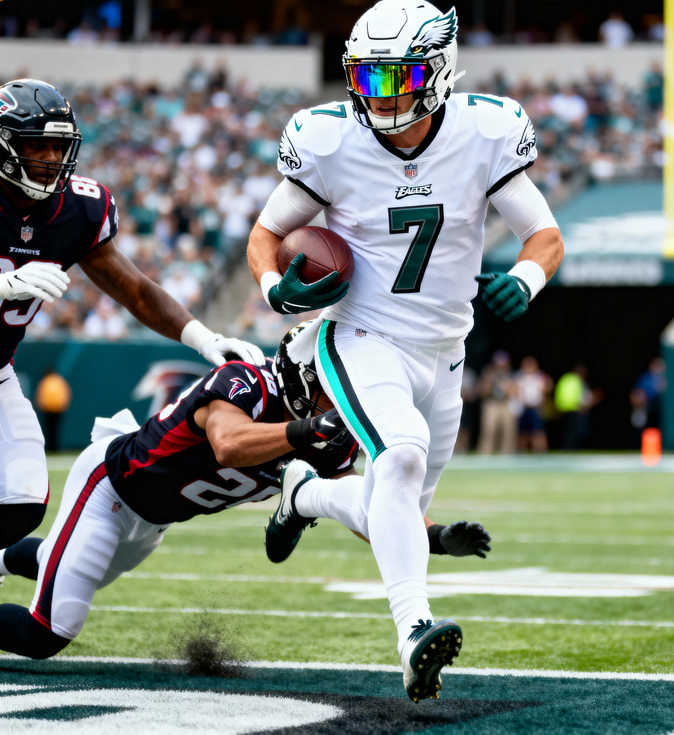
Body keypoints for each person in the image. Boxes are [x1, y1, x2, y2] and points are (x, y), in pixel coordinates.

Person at [247, 0, 563, 701]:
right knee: (402, 456)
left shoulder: (486, 130)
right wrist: (274, 289)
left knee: (396, 509)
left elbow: (544, 236)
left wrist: (526, 277)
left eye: (394, 78)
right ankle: (413, 629)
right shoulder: (328, 141)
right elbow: (264, 237)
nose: (377, 96)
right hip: (362, 334)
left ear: (438, 70)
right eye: (365, 78)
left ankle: (306, 496)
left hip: (446, 353)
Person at [0, 325, 490, 659]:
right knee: (50, 630)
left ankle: (2, 557)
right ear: (303, 376)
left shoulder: (326, 441)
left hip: (155, 521)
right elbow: (229, 445)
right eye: (332, 385)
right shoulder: (247, 383)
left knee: (58, 564)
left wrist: (434, 535)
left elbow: (370, 508)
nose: (343, 396)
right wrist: (309, 427)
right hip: (110, 487)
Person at [0, 78, 264, 551]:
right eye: (36, 146)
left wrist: (203, 338)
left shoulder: (77, 208)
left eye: (58, 147)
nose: (50, 160)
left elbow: (137, 291)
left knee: (20, 501)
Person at [477, 349, 519, 455]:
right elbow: (481, 391)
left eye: (503, 363)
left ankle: (507, 454)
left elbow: (516, 392)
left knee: (508, 429)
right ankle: (485, 453)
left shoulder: (511, 374)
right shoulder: (488, 373)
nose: (501, 365)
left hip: (506, 403)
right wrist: (491, 382)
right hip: (492, 403)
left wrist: (507, 387)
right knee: (489, 429)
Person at [515, 355, 552, 453]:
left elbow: (549, 387)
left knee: (538, 432)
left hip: (536, 408)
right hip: (524, 408)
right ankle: (521, 453)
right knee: (522, 433)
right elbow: (514, 390)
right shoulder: (520, 376)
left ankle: (540, 452)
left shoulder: (540, 376)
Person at [33, 367, 72, 452]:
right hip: (56, 409)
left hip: (49, 409)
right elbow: (65, 394)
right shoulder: (59, 381)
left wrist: (40, 405)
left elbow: (40, 395)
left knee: (49, 430)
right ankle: (53, 448)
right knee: (54, 430)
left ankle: (51, 448)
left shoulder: (46, 381)